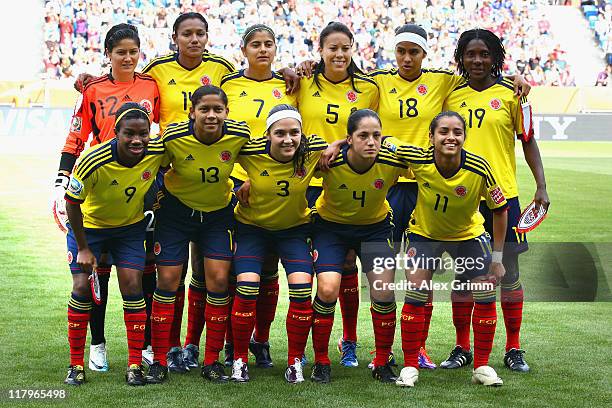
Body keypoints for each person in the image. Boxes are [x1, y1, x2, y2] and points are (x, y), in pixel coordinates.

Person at [53, 23, 160, 373]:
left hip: (138, 188)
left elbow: (162, 134)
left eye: (133, 51)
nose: (128, 58)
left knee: (142, 274)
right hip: (98, 185)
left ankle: (141, 349)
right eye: (120, 52)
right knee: (95, 277)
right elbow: (75, 138)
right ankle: (97, 344)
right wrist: (61, 180)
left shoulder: (151, 85)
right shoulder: (93, 89)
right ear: (108, 55)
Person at [442, 28, 549, 372]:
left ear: (496, 58)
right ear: (460, 58)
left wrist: (541, 186)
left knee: (508, 271)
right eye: (471, 54)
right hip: (463, 198)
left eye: (484, 54)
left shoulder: (512, 94)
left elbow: (528, 140)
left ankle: (514, 348)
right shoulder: (451, 94)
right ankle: (462, 347)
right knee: (464, 275)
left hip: (504, 197)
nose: (477, 60)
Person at [388, 111, 509, 387]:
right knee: (416, 290)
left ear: (464, 137)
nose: (450, 137)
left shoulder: (480, 168)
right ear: (430, 137)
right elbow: (386, 142)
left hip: (468, 235)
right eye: (443, 131)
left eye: (457, 132)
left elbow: (500, 210)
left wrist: (498, 258)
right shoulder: (418, 158)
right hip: (425, 234)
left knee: (485, 291)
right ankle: (410, 366)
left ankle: (482, 366)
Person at [147, 85, 250, 384]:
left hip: (218, 216)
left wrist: (251, 181)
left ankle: (211, 360)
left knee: (218, 281)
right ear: (192, 112)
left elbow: (263, 158)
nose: (211, 115)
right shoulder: (173, 137)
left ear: (227, 113)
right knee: (167, 281)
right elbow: (149, 162)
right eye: (204, 109)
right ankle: (161, 358)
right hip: (176, 215)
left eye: (218, 109)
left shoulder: (238, 135)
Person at [63, 102, 166, 386]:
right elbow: (71, 204)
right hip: (90, 229)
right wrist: (84, 248)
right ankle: (75, 364)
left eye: (143, 134)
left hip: (129, 230)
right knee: (82, 287)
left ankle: (134, 364)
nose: (137, 140)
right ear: (116, 134)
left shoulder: (156, 151)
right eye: (129, 134)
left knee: (133, 286)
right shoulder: (91, 160)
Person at [298, 22, 380, 368]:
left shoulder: (368, 88)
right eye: (332, 48)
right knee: (305, 270)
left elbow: (372, 130)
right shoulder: (301, 82)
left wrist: (340, 144)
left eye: (345, 47)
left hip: (350, 178)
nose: (339, 54)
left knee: (347, 264)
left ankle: (349, 341)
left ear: (353, 49)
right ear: (320, 51)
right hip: (308, 181)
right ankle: (292, 343)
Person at [219, 24, 299, 369]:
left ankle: (260, 340)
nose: (263, 50)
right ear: (244, 49)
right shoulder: (228, 84)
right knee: (235, 270)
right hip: (235, 183)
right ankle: (230, 343)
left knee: (268, 270)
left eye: (269, 44)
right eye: (256, 44)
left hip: (278, 182)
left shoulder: (291, 84)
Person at [229, 104, 326, 383]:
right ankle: (238, 359)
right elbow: (222, 156)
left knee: (301, 289)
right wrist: (244, 180)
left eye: (294, 132)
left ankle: (294, 361)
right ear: (268, 135)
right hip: (252, 230)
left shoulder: (311, 150)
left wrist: (337, 145)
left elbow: (339, 143)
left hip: (293, 231)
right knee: (246, 287)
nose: (288, 139)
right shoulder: (251, 151)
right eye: (280, 133)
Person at [310, 109, 405, 384]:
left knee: (384, 291)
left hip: (375, 228)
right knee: (327, 289)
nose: (371, 142)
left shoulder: (391, 159)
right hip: (331, 228)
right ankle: (321, 361)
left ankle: (382, 360)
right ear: (349, 139)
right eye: (363, 136)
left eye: (376, 135)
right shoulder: (329, 160)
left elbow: (424, 161)